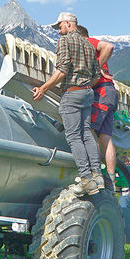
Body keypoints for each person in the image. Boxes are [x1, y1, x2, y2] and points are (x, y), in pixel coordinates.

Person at [33, 12, 101, 196]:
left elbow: (62, 70)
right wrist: (84, 85)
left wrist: (43, 88)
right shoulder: (88, 44)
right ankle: (97, 175)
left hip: (72, 93)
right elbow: (97, 74)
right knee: (87, 133)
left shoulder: (65, 41)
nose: (58, 31)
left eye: (60, 26)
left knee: (73, 137)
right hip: (88, 93)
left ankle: (86, 179)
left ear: (69, 24)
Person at [76, 25, 118, 191]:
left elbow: (109, 46)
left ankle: (95, 173)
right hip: (110, 92)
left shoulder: (89, 43)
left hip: (101, 93)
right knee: (106, 138)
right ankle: (111, 178)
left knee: (88, 130)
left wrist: (97, 68)